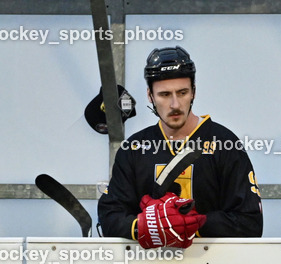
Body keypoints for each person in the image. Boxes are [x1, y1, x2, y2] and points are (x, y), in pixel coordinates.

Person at [97, 46, 263, 249]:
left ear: (193, 91)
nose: (175, 104)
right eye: (164, 94)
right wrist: (145, 226)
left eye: (182, 92)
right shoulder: (134, 148)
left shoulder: (225, 144)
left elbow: (250, 223)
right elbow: (109, 218)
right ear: (150, 96)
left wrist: (194, 223)